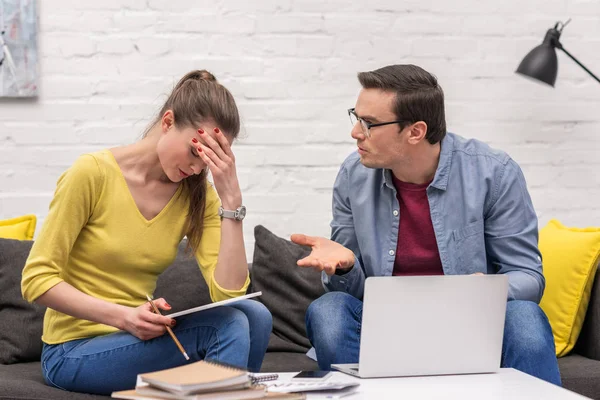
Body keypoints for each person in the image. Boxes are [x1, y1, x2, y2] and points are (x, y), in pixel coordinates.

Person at [291, 64, 561, 385]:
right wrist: (346, 268)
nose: (355, 132)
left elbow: (529, 277)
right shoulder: (354, 174)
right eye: (356, 116)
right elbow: (359, 293)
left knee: (526, 319)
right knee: (329, 310)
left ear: (416, 132)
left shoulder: (495, 173)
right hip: (388, 328)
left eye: (370, 123)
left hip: (471, 324)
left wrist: (481, 288)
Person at [21, 70, 272, 395]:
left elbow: (229, 293)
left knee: (255, 315)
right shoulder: (91, 174)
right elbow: (36, 279)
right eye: (196, 151)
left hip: (139, 341)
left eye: (209, 159)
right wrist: (124, 317)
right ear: (168, 122)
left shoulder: (197, 195)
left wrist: (232, 202)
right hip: (72, 351)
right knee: (227, 326)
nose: (197, 168)